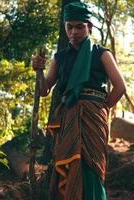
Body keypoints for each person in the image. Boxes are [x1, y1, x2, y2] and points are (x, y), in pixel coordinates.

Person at [32, 2, 126, 200]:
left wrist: (100, 108)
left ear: (89, 27)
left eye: (79, 26)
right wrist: (39, 71)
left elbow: (120, 87)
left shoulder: (102, 54)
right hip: (69, 116)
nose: (74, 31)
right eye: (69, 26)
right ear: (65, 27)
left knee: (92, 166)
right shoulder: (60, 57)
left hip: (94, 116)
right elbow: (43, 90)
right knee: (69, 163)